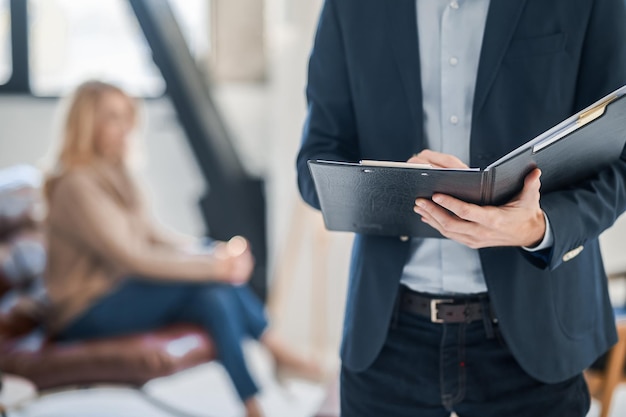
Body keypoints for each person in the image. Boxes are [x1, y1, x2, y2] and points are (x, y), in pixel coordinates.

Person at [297, 0, 626, 416]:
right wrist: (396, 185)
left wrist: (539, 227)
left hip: (536, 335)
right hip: (387, 337)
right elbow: (314, 161)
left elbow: (619, 159)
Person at [44, 81, 320, 417]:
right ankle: (276, 353)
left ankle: (252, 404)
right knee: (210, 283)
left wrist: (212, 250)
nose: (125, 128)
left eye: (126, 117)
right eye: (111, 118)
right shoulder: (76, 185)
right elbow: (132, 258)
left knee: (213, 297)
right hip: (86, 310)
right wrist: (212, 267)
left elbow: (155, 236)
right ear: (87, 124)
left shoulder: (116, 174)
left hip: (120, 294)